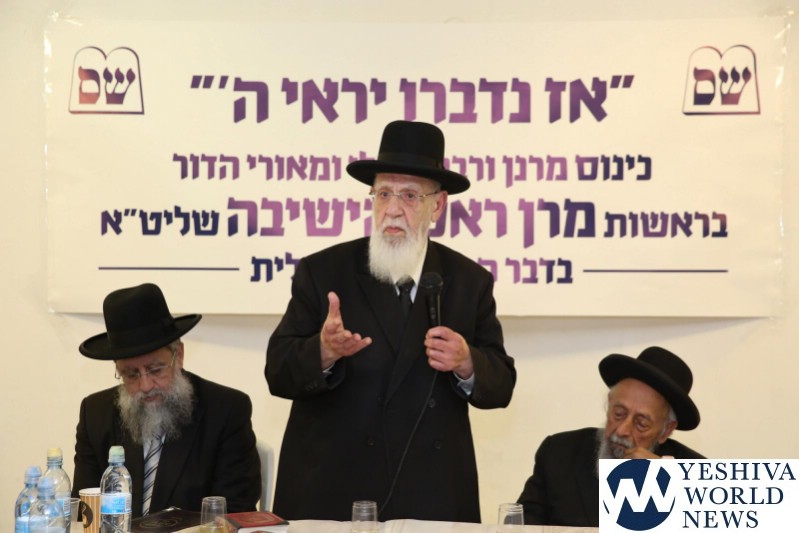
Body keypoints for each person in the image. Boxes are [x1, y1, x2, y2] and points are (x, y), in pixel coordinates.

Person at [265, 120, 516, 522]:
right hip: (334, 491)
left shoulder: (469, 282)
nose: (393, 209)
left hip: (429, 496)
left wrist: (467, 362)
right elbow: (277, 373)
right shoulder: (323, 271)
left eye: (410, 196)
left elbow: (501, 385)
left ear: (438, 206)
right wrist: (323, 352)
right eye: (383, 193)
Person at [72, 283, 261, 518]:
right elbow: (85, 512)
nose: (145, 386)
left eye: (155, 369)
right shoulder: (95, 414)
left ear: (178, 355)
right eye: (131, 374)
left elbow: (235, 513)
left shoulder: (226, 411)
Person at [516, 346, 705, 527]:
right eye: (619, 413)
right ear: (609, 404)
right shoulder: (559, 452)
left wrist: (665, 483)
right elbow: (521, 526)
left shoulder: (693, 475)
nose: (622, 430)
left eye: (641, 423)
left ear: (666, 430)